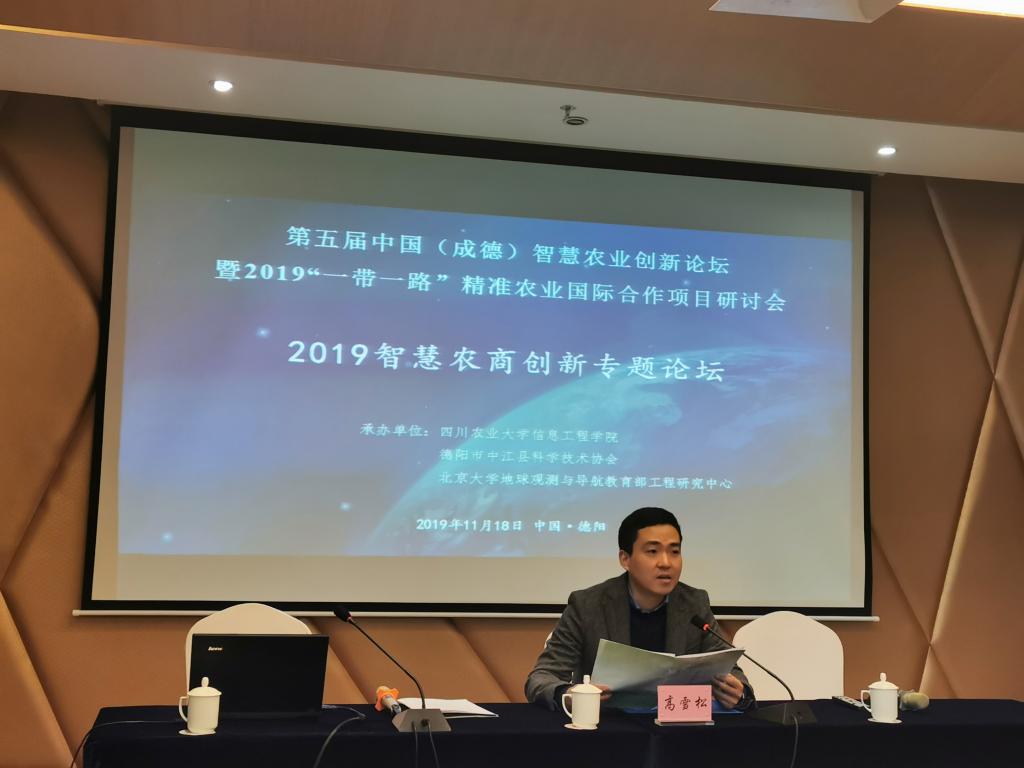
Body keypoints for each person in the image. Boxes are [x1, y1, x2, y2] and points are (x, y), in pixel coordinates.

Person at [525, 506, 754, 710]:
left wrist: (739, 692)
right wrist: (568, 695)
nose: (666, 562)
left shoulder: (694, 603)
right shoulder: (588, 605)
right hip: (607, 728)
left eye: (674, 551)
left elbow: (731, 671)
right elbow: (541, 677)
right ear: (625, 559)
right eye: (652, 551)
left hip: (677, 730)